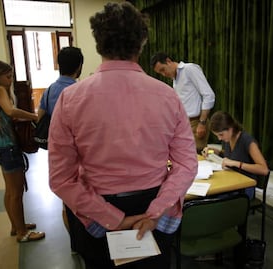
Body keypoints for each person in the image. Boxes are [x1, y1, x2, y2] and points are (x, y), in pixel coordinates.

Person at [48, 2, 198, 269]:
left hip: (96, 208)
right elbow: (187, 164)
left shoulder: (70, 99)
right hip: (154, 206)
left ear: (97, 43)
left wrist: (113, 217)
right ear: (142, 43)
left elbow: (61, 178)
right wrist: (154, 212)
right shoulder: (168, 96)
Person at [0, 60, 45, 243]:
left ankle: (16, 226)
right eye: (8, 76)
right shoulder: (0, 89)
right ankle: (23, 233)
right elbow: (10, 111)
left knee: (9, 191)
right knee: (16, 193)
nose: (10, 80)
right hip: (8, 148)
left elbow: (2, 116)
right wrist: (33, 116)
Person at [37, 46, 84, 254]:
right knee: (82, 196)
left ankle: (74, 243)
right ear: (80, 67)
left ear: (59, 65)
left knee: (66, 200)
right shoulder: (80, 91)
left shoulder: (49, 90)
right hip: (81, 154)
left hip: (58, 155)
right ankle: (85, 239)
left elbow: (40, 117)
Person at [150, 52, 215, 153]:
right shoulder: (175, 79)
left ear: (168, 61)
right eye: (160, 73)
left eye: (163, 69)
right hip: (184, 123)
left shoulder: (189, 69)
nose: (164, 74)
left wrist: (202, 122)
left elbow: (208, 95)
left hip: (196, 121)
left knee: (195, 157)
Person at [202, 111, 269, 198]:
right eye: (217, 136)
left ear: (230, 128)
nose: (219, 138)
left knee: (213, 198)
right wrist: (212, 151)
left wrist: (236, 163)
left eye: (221, 135)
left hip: (244, 188)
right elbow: (226, 154)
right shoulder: (228, 138)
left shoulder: (247, 141)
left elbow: (264, 170)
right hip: (231, 181)